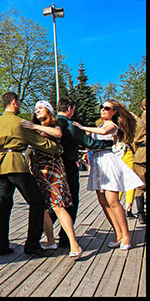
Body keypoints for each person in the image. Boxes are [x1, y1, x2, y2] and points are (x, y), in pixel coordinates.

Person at [0, 92, 63, 257]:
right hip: (16, 164)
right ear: (14, 102)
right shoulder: (19, 123)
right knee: (36, 202)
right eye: (19, 102)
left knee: (4, 206)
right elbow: (38, 141)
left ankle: (3, 245)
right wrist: (58, 148)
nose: (20, 105)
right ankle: (32, 244)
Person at [73, 99, 144, 250]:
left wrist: (83, 127)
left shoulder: (112, 125)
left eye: (107, 108)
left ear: (114, 112)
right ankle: (118, 233)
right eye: (102, 107)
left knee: (112, 200)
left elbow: (104, 132)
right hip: (98, 162)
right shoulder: (100, 124)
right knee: (102, 200)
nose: (103, 110)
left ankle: (126, 235)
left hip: (108, 161)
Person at [20, 100, 82, 257]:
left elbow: (58, 133)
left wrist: (34, 127)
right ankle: (50, 240)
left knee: (58, 206)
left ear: (49, 110)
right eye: (35, 109)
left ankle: (74, 244)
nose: (37, 110)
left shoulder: (54, 125)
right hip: (38, 170)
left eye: (40, 108)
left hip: (53, 170)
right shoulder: (33, 127)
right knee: (41, 206)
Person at [52, 96, 114, 248]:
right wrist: (110, 142)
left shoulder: (51, 122)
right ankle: (66, 238)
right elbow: (89, 143)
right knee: (71, 201)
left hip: (53, 166)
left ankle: (38, 235)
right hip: (68, 165)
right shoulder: (68, 124)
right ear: (71, 109)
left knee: (54, 202)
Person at [131, 99, 146, 223]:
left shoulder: (137, 122)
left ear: (142, 108)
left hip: (141, 154)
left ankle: (141, 214)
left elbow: (132, 139)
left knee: (140, 186)